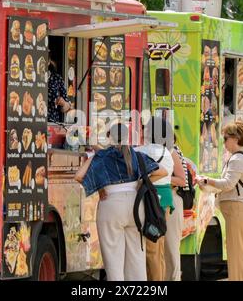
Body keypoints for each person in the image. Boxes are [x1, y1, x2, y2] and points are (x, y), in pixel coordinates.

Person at [74, 123, 168, 281]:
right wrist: (140, 183)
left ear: (109, 137)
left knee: (113, 259)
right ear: (127, 137)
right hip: (136, 207)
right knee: (137, 256)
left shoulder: (102, 156)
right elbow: (162, 171)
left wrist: (100, 188)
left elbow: (78, 176)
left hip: (110, 205)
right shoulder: (137, 155)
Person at [196, 121, 243, 281]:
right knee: (237, 252)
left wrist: (208, 180)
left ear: (236, 138)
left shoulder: (237, 159)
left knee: (237, 253)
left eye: (226, 138)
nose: (224, 142)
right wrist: (208, 184)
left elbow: (228, 184)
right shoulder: (240, 158)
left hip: (238, 210)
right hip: (239, 210)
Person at [135, 117, 186, 281]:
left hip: (152, 201)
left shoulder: (149, 150)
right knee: (159, 249)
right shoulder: (167, 151)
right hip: (164, 202)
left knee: (152, 249)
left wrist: (159, 179)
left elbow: (181, 179)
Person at [164, 133, 190, 281]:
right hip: (164, 198)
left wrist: (158, 177)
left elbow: (181, 180)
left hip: (172, 198)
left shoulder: (172, 150)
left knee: (171, 246)